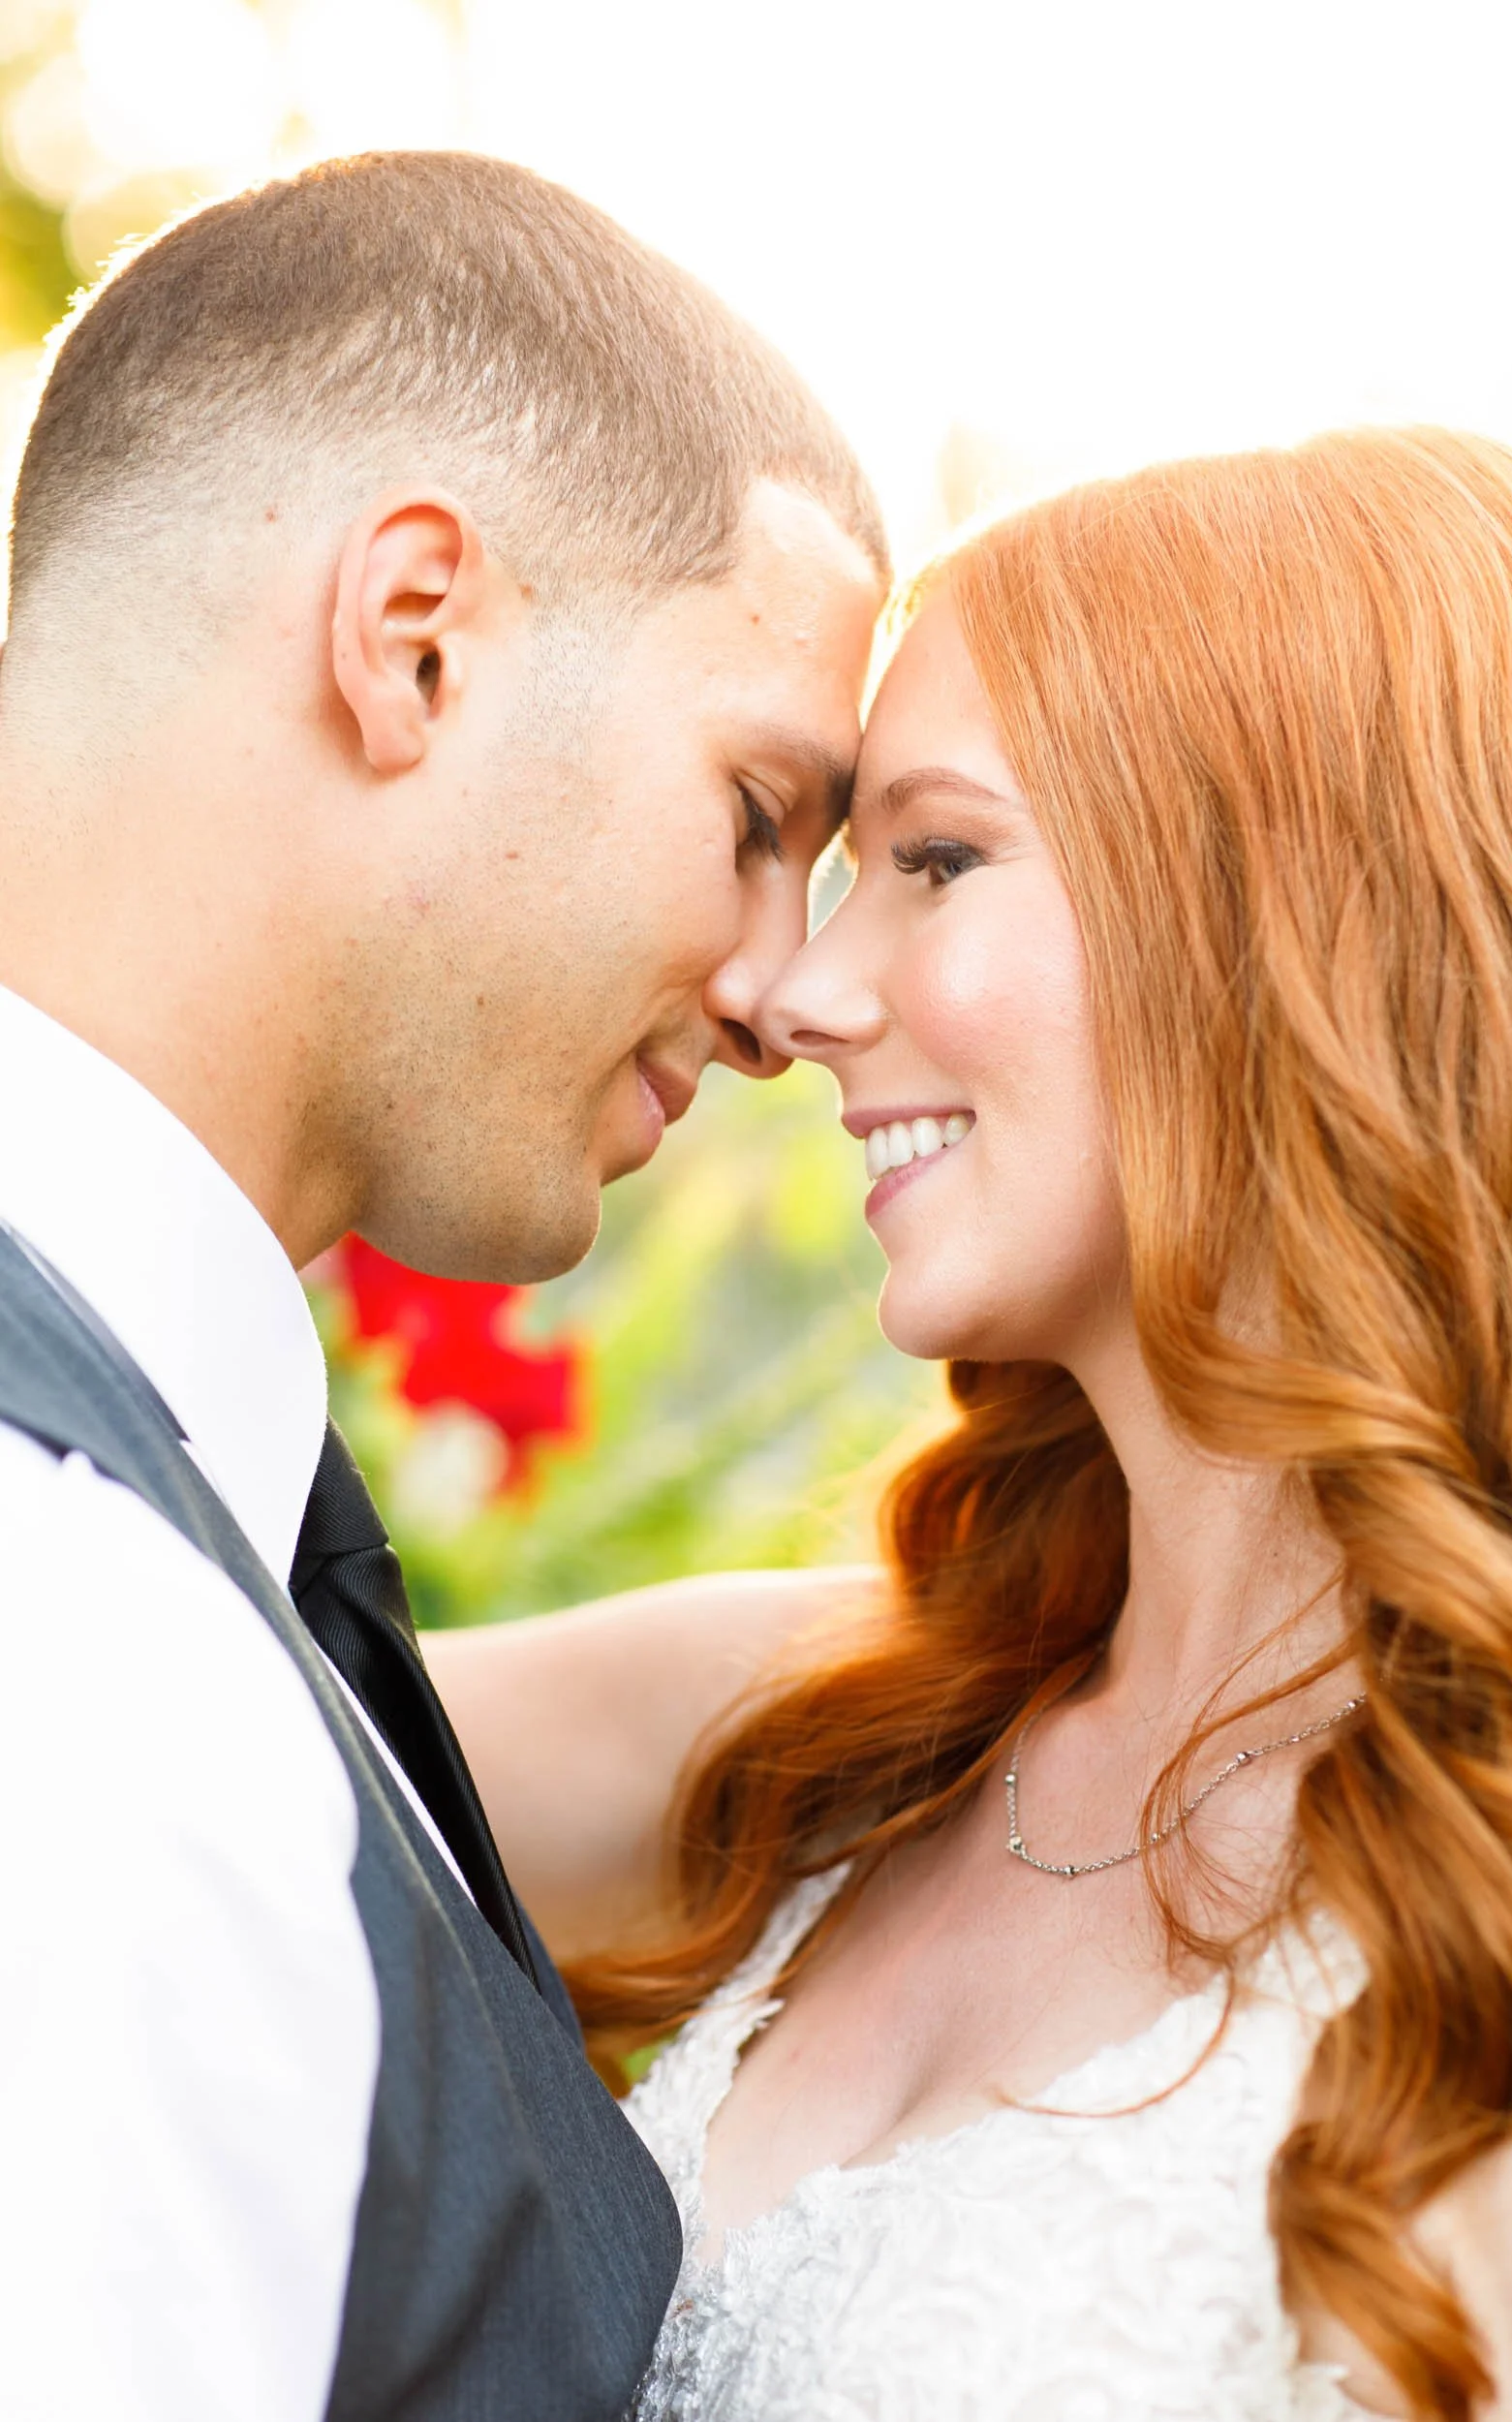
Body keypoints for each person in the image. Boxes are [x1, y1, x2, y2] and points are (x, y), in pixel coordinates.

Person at [429, 426, 1512, 2421]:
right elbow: (124, 1700)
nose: (795, 992)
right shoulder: (840, 1726)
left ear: (1300, 924)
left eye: (935, 860)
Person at [0, 150, 885, 2421]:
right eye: (756, 810)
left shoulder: (152, 1549)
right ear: (414, 639)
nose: (781, 993)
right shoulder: (85, 1659)